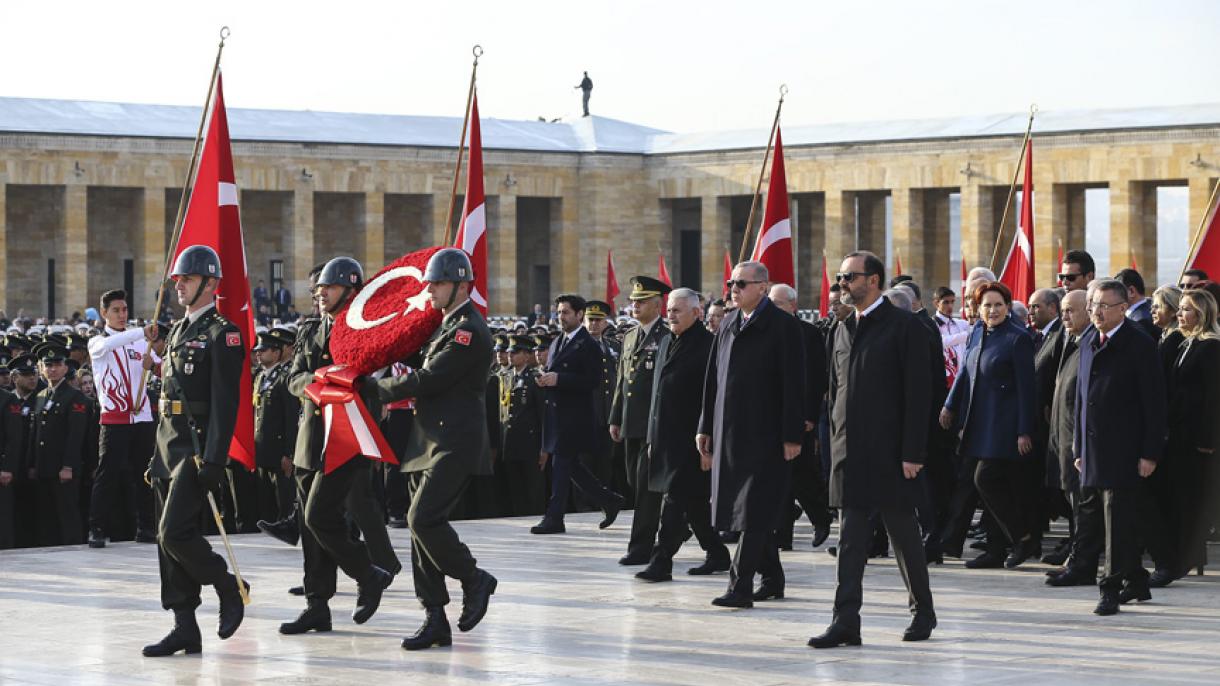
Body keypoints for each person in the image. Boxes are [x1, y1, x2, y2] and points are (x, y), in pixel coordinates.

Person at [372, 248, 499, 651]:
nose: (431, 289)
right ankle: (434, 616)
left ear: (462, 286)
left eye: (439, 283)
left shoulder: (468, 331)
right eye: (430, 282)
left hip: (453, 441)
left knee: (422, 518)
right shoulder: (442, 325)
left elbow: (429, 378)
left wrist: (372, 390)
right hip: (427, 440)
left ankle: (474, 577)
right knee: (417, 531)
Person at [810, 251, 935, 647]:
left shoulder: (904, 327)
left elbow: (919, 396)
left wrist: (913, 452)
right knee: (850, 540)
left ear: (874, 280)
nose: (842, 284)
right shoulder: (842, 329)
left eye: (850, 277)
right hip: (850, 452)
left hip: (891, 454)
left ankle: (923, 611)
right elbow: (835, 391)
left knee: (903, 536)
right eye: (841, 277)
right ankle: (845, 621)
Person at [279, 257, 396, 637]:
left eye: (328, 288)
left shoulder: (365, 330)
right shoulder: (311, 329)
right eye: (318, 289)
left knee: (318, 516)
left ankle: (367, 572)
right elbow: (293, 376)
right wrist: (316, 384)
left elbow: (375, 379)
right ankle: (317, 604)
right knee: (310, 527)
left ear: (350, 290)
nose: (321, 294)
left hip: (346, 438)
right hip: (310, 436)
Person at [141, 245, 248, 657]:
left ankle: (228, 586)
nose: (179, 286)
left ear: (210, 283)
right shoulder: (180, 331)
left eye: (186, 279)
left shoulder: (224, 333)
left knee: (175, 532)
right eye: (177, 280)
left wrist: (216, 458)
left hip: (198, 448)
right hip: (168, 445)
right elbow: (169, 396)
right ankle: (184, 625)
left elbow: (226, 404)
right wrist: (156, 455)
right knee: (164, 542)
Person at [697, 261, 804, 609]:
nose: (734, 288)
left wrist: (792, 436)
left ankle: (739, 585)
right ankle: (772, 579)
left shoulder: (784, 327)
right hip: (729, 433)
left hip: (766, 435)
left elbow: (793, 385)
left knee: (753, 510)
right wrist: (704, 426)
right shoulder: (728, 323)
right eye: (731, 282)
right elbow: (712, 381)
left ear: (763, 286)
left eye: (741, 283)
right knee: (746, 511)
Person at [1073, 279, 1167, 616]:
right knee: (1108, 517)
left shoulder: (1139, 344)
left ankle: (1109, 587)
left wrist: (1150, 452)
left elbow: (1154, 405)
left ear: (1122, 308)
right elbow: (1081, 400)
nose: (1096, 312)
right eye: (1093, 305)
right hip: (1094, 450)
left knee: (1116, 520)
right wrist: (1078, 447)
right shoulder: (1087, 341)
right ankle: (1137, 580)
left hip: (1126, 450)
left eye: (1104, 306)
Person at [941, 282, 1039, 569]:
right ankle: (997, 549)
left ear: (1008, 307)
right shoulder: (976, 332)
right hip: (979, 421)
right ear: (978, 308)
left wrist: (1024, 430)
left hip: (1005, 425)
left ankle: (1023, 537)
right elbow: (964, 373)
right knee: (990, 487)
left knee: (986, 479)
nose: (992, 310)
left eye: (998, 304)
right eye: (987, 305)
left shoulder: (1017, 338)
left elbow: (1026, 389)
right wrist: (950, 404)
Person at [635, 289, 730, 581]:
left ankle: (661, 560)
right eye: (669, 310)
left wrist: (710, 445)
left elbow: (713, 399)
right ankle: (717, 553)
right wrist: (652, 438)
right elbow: (657, 395)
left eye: (677, 311)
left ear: (696, 313)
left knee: (674, 501)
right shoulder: (666, 342)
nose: (670, 316)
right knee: (695, 504)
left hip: (693, 440)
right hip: (666, 438)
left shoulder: (709, 347)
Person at [531, 294, 625, 534]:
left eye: (565, 313)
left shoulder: (588, 344)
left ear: (579, 314)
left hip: (575, 417)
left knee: (561, 467)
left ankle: (554, 518)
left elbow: (592, 380)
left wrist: (559, 379)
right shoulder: (557, 342)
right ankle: (609, 500)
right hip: (557, 414)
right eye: (559, 313)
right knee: (571, 467)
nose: (561, 317)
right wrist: (546, 379)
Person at [86, 289, 158, 547]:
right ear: (104, 313)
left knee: (144, 474)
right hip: (115, 418)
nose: (121, 314)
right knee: (108, 474)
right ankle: (97, 528)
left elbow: (160, 367)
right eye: (116, 310)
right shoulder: (97, 341)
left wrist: (154, 364)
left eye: (125, 310)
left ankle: (147, 526)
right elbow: (108, 345)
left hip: (142, 416)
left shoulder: (140, 343)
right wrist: (141, 331)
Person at [609, 277, 671, 565]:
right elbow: (623, 380)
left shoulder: (666, 336)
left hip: (653, 425)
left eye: (642, 301)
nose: (635, 305)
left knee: (646, 488)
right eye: (633, 301)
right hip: (631, 422)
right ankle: (676, 530)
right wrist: (615, 417)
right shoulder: (631, 336)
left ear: (658, 304)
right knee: (636, 483)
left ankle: (641, 547)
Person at [768, 283, 831, 549]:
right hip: (772, 417)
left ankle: (820, 517)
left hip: (799, 419)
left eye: (778, 303)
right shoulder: (766, 332)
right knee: (779, 479)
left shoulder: (808, 333)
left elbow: (815, 378)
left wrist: (809, 415)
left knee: (801, 475)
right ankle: (782, 535)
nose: (772, 308)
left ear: (792, 306)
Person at [1164, 289, 1220, 582]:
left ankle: (1184, 558)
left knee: (1190, 499)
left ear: (1201, 314)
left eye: (1185, 309)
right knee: (1180, 496)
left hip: (1197, 438)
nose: (1179, 314)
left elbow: (1213, 397)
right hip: (1180, 432)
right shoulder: (1188, 344)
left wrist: (1208, 441)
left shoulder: (1211, 347)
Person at [1045, 290, 1096, 587]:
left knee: (1084, 508)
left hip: (1079, 443)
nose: (1064, 316)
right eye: (1062, 310)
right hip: (1063, 439)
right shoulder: (1071, 340)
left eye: (1070, 310)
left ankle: (1080, 563)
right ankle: (1077, 559)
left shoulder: (1090, 344)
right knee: (1075, 505)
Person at [29, 343, 90, 546]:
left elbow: (75, 436)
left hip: (63, 469)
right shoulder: (40, 396)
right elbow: (35, 434)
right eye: (48, 365)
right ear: (41, 368)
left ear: (65, 368)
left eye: (56, 365)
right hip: (44, 467)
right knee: (46, 517)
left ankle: (73, 550)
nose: (52, 369)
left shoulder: (74, 397)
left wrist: (68, 466)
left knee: (67, 514)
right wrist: (32, 464)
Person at [252, 331, 298, 525]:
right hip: (262, 449)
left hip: (279, 451)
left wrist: (289, 453)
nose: (258, 354)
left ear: (277, 353)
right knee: (265, 501)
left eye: (264, 350)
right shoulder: (260, 378)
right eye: (257, 350)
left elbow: (291, 418)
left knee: (284, 498)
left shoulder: (285, 378)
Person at [499, 335, 546, 516]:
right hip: (510, 443)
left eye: (516, 352)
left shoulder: (535, 378)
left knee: (532, 489)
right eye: (510, 352)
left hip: (530, 443)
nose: (511, 356)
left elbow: (543, 414)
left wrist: (544, 447)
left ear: (527, 356)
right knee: (515, 489)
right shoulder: (506, 377)